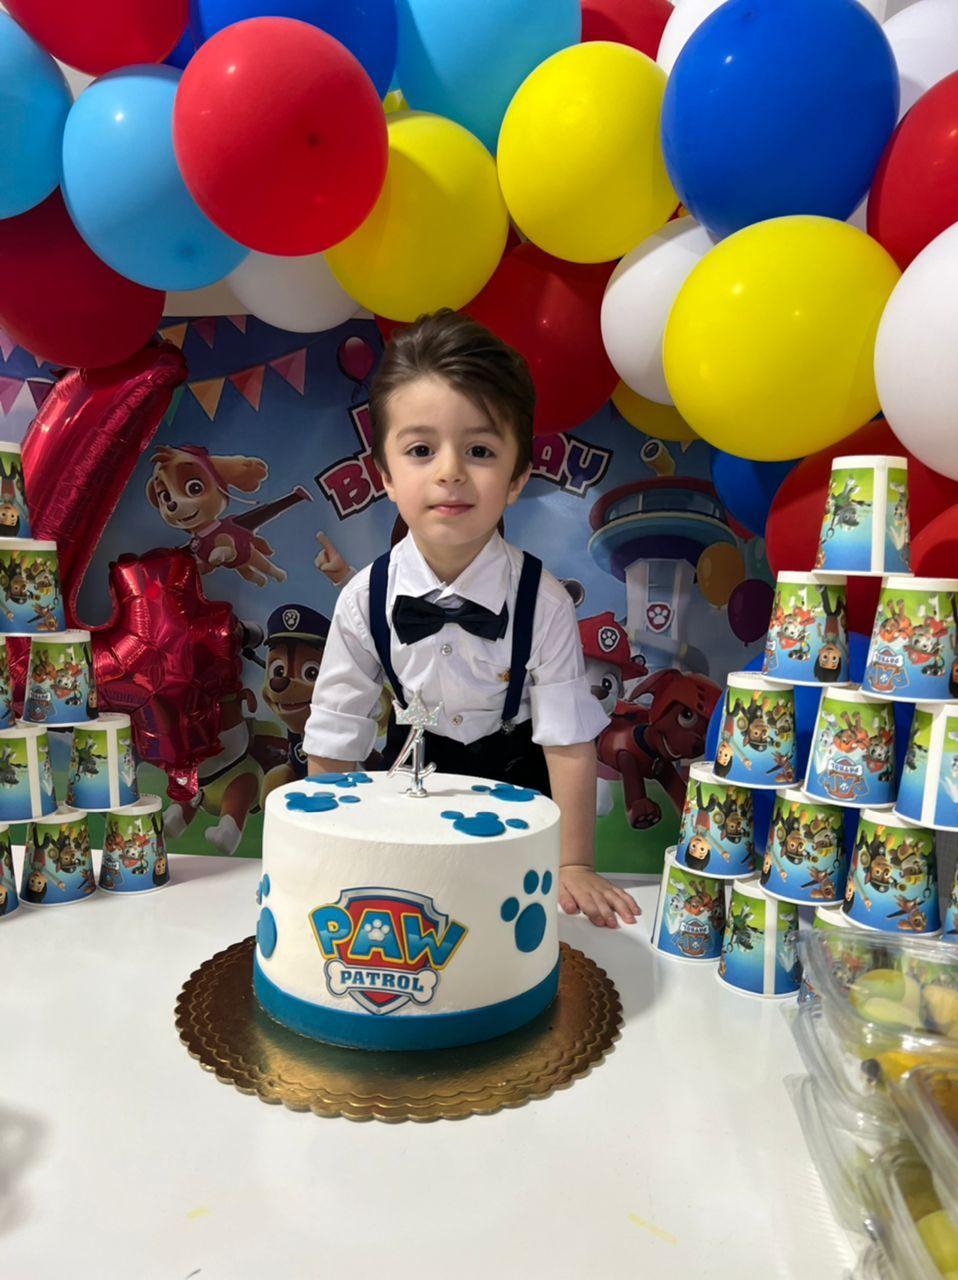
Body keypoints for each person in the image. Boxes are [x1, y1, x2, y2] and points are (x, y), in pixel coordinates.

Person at [304, 310, 639, 928]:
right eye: (421, 450)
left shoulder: (543, 601)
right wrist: (323, 855)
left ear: (516, 479)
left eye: (480, 450)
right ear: (386, 475)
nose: (450, 470)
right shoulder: (362, 598)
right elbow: (335, 736)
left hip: (518, 799)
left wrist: (573, 865)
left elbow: (568, 740)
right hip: (407, 794)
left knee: (504, 935)